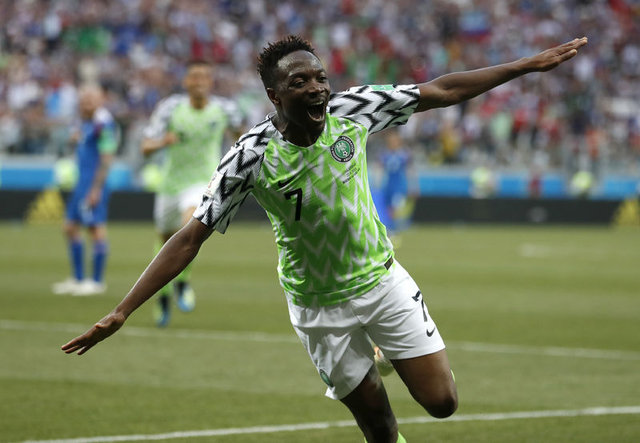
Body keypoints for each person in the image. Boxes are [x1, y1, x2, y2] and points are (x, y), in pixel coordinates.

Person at [62, 35, 588, 442]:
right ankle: (369, 368)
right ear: (274, 96)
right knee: (380, 428)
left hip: (381, 282)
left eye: (320, 77)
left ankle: (378, 354)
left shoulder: (354, 110)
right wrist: (122, 311)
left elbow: (442, 90)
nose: (317, 88)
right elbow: (189, 237)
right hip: (317, 306)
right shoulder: (250, 156)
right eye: (300, 82)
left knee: (442, 402)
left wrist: (523, 65)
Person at [140, 59, 244, 327]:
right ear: (186, 82)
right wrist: (163, 142)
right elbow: (145, 147)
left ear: (210, 82)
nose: (199, 82)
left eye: (204, 77)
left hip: (203, 182)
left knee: (190, 226)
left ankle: (182, 281)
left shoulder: (225, 109)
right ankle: (163, 294)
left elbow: (243, 135)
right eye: (194, 77)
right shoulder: (170, 108)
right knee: (165, 239)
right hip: (170, 184)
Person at [52, 84, 118, 296]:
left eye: (91, 99)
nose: (86, 103)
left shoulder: (103, 124)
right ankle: (78, 278)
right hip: (81, 183)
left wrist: (96, 189)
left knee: (95, 228)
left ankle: (97, 281)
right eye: (84, 99)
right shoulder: (83, 122)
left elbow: (107, 158)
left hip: (94, 184)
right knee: (70, 227)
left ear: (100, 101)